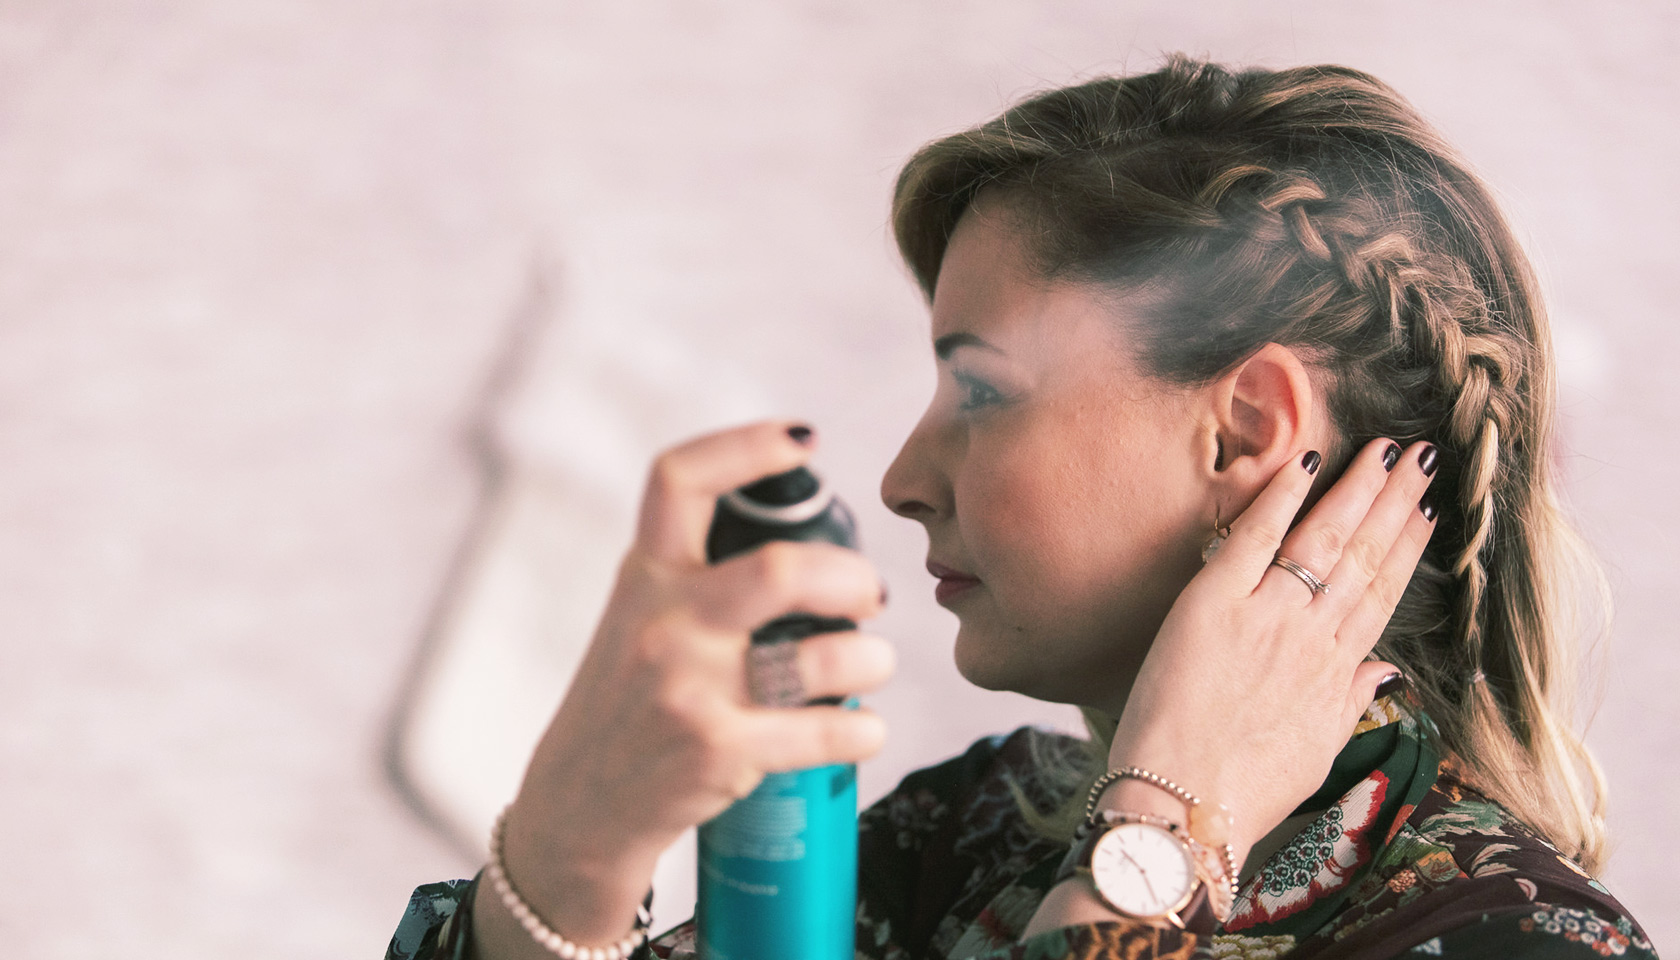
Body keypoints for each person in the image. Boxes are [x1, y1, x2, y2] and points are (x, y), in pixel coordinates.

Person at [386, 57, 1658, 959]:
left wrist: (1155, 837)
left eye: (981, 390)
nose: (900, 479)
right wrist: (569, 844)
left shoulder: (1513, 942)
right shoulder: (958, 839)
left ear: (1246, 432)